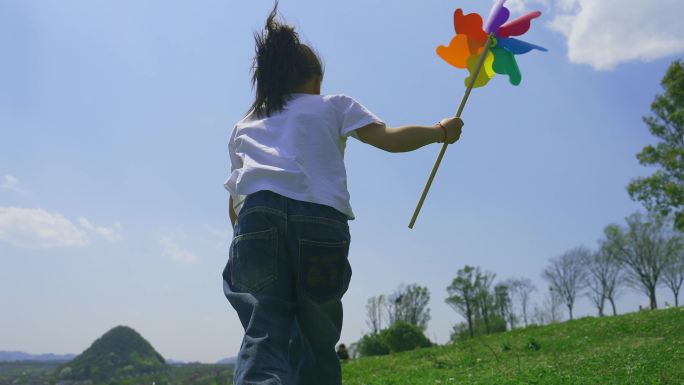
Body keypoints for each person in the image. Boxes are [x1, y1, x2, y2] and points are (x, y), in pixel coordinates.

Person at [222, 3, 463, 385]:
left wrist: (243, 234)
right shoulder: (334, 105)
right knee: (317, 338)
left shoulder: (247, 123)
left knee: (263, 330)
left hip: (256, 219)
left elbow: (236, 198)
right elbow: (389, 139)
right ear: (316, 80)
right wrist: (440, 131)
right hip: (319, 221)